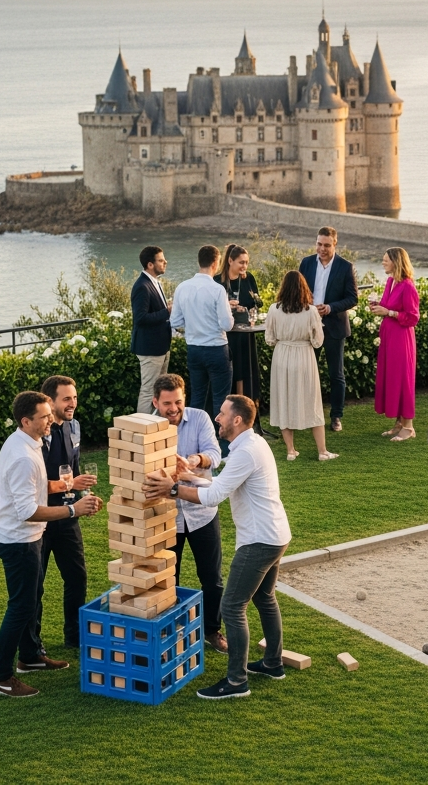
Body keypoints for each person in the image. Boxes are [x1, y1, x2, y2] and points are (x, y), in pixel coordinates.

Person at [144, 395, 293, 700]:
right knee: (264, 598)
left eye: (223, 414)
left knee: (232, 607)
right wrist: (187, 475)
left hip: (259, 542)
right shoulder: (252, 445)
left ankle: (237, 681)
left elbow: (215, 497)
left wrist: (172, 489)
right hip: (276, 534)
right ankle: (272, 663)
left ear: (237, 420)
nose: (217, 418)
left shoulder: (244, 452)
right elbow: (221, 483)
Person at [0, 391, 102, 698]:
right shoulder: (24, 456)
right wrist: (72, 510)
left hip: (25, 537)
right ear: (26, 421)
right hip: (17, 540)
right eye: (44, 417)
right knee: (21, 606)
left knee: (31, 596)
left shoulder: (27, 442)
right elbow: (27, 511)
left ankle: (30, 657)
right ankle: (0, 676)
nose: (51, 420)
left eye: (50, 415)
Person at [151, 373, 228, 653]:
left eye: (178, 402)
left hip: (201, 512)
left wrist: (194, 460)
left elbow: (214, 455)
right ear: (155, 402)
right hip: (165, 517)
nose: (174, 409)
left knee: (212, 577)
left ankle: (212, 631)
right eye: (167, 403)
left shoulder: (199, 418)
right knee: (169, 578)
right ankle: (172, 632)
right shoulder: (146, 429)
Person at [36, 375, 96, 649]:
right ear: (50, 401)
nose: (72, 403)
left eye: (74, 397)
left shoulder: (75, 426)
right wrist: (70, 483)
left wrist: (85, 497)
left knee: (77, 577)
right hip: (41, 519)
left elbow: (74, 466)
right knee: (36, 584)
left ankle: (75, 636)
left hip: (69, 516)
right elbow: (34, 484)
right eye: (66, 399)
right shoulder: (38, 435)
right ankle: (32, 645)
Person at [265, 271, 337, 461]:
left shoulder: (273, 309)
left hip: (281, 356)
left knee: (284, 399)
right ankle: (322, 451)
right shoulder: (311, 311)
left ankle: (291, 450)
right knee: (312, 400)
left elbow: (269, 339)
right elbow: (318, 342)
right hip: (304, 356)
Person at [298, 227, 359, 433]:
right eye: (319, 244)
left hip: (334, 327)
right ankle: (308, 415)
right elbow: (297, 291)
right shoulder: (306, 263)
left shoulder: (345, 266)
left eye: (326, 245)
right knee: (307, 373)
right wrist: (308, 306)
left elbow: (353, 298)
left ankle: (336, 416)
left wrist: (330, 307)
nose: (321, 249)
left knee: (336, 375)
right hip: (309, 326)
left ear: (335, 244)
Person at [171, 245, 234, 432]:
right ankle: (221, 445)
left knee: (197, 397)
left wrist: (192, 325)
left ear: (199, 261)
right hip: (216, 348)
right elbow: (227, 324)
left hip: (194, 349)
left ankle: (194, 440)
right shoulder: (217, 290)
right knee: (221, 399)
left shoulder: (182, 287)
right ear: (216, 263)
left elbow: (175, 321)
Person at [370, 247, 420, 441]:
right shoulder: (390, 281)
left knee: (402, 379)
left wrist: (389, 313)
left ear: (396, 262)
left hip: (402, 339)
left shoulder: (408, 286)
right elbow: (387, 305)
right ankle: (399, 422)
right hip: (389, 338)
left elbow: (413, 317)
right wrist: (377, 308)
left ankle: (408, 427)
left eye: (385, 260)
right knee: (391, 378)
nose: (383, 263)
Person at [217, 244, 263, 410]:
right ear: (230, 261)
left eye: (246, 262)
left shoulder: (249, 279)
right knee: (231, 372)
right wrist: (226, 305)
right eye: (241, 262)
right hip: (226, 335)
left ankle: (245, 409)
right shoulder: (218, 281)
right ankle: (228, 408)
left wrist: (247, 308)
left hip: (245, 334)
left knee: (245, 370)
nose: (244, 266)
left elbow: (256, 304)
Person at [131, 245, 172, 414]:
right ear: (150, 264)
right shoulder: (142, 286)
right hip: (150, 348)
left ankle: (155, 425)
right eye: (161, 260)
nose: (165, 262)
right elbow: (140, 318)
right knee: (149, 391)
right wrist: (167, 311)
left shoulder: (154, 283)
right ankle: (142, 427)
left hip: (160, 346)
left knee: (159, 390)